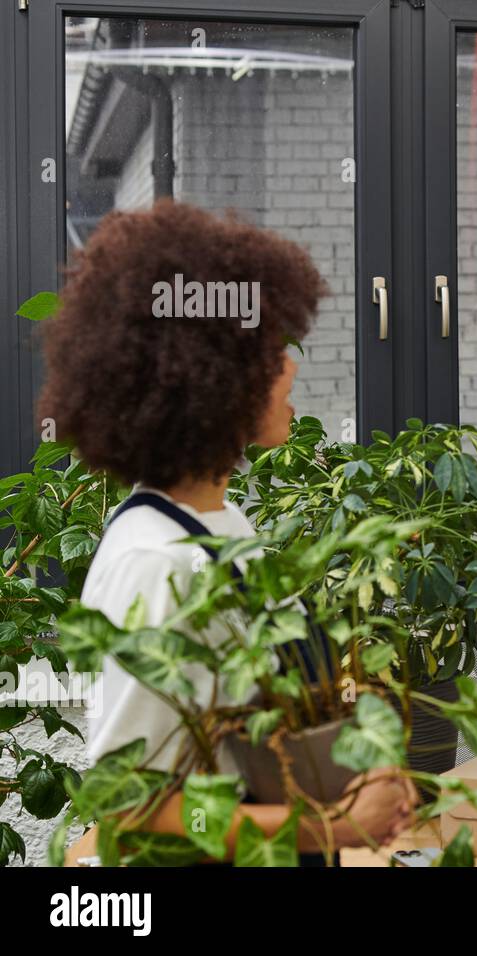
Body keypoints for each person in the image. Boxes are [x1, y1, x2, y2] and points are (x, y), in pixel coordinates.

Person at [40, 200, 414, 864]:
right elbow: (134, 811)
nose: (291, 368)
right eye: (269, 353)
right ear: (208, 381)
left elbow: (250, 744)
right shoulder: (157, 564)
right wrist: (327, 823)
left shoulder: (218, 523)